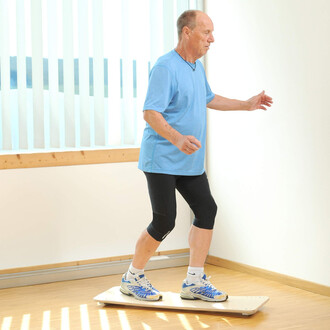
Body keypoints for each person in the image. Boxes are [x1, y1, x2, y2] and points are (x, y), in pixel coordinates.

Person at [120, 10, 273, 302]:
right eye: (206, 32)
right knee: (164, 221)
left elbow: (209, 98)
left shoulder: (195, 68)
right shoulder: (166, 67)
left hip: (189, 160)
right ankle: (132, 277)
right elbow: (150, 113)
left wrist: (247, 104)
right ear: (187, 32)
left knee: (207, 211)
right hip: (162, 158)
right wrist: (177, 138)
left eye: (212, 33)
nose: (212, 39)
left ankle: (193, 281)